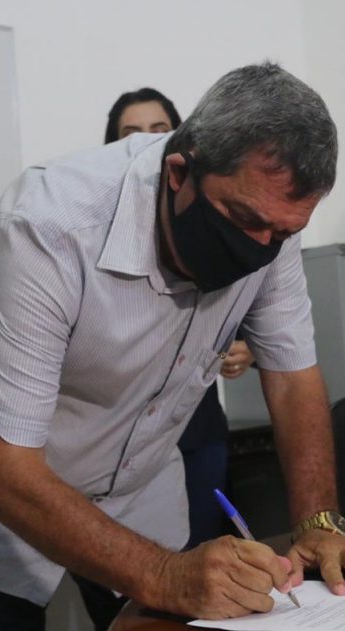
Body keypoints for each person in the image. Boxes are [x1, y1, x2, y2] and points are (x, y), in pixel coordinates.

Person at [0, 62, 345, 631]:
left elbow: (292, 378)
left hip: (138, 487)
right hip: (2, 498)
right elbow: (4, 472)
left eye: (283, 232)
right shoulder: (49, 225)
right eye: (244, 221)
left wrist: (319, 523)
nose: (261, 246)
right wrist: (164, 575)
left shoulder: (269, 222)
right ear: (180, 174)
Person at [104, 86, 255, 549]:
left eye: (160, 130)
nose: (146, 142)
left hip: (196, 430)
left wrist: (243, 350)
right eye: (131, 133)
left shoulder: (211, 223)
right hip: (115, 443)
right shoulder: (93, 234)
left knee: (204, 551)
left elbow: (248, 324)